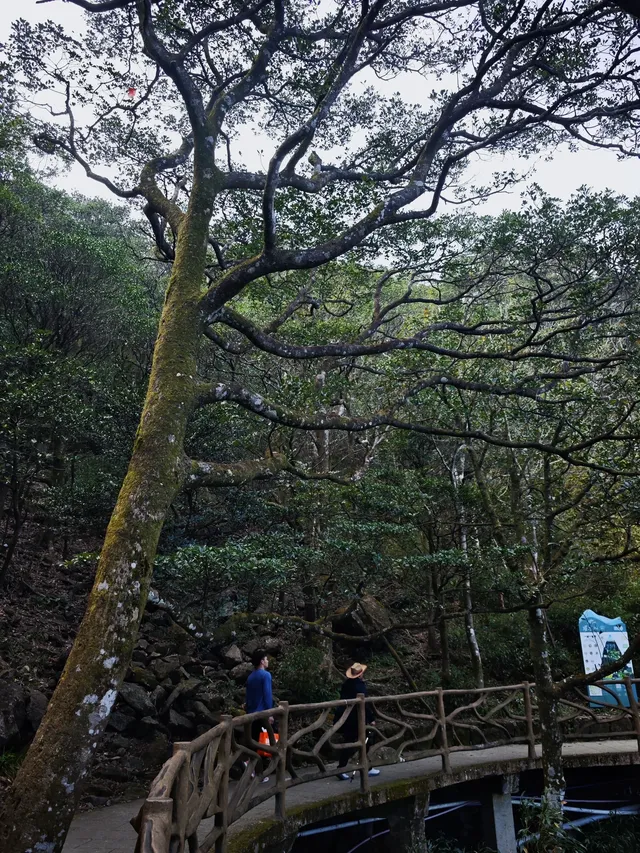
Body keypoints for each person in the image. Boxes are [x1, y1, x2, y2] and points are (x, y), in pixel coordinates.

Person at [336, 662, 380, 780]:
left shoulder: (347, 683)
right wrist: (371, 719)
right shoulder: (359, 686)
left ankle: (358, 767)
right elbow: (363, 703)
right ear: (360, 674)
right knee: (364, 741)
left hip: (346, 717)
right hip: (355, 718)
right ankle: (355, 767)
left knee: (353, 741)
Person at [245, 649, 275, 743]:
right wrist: (269, 714)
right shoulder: (266, 675)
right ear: (262, 661)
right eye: (266, 659)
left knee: (254, 743)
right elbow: (267, 695)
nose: (267, 661)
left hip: (251, 715)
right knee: (266, 744)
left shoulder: (250, 677)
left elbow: (248, 697)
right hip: (262, 715)